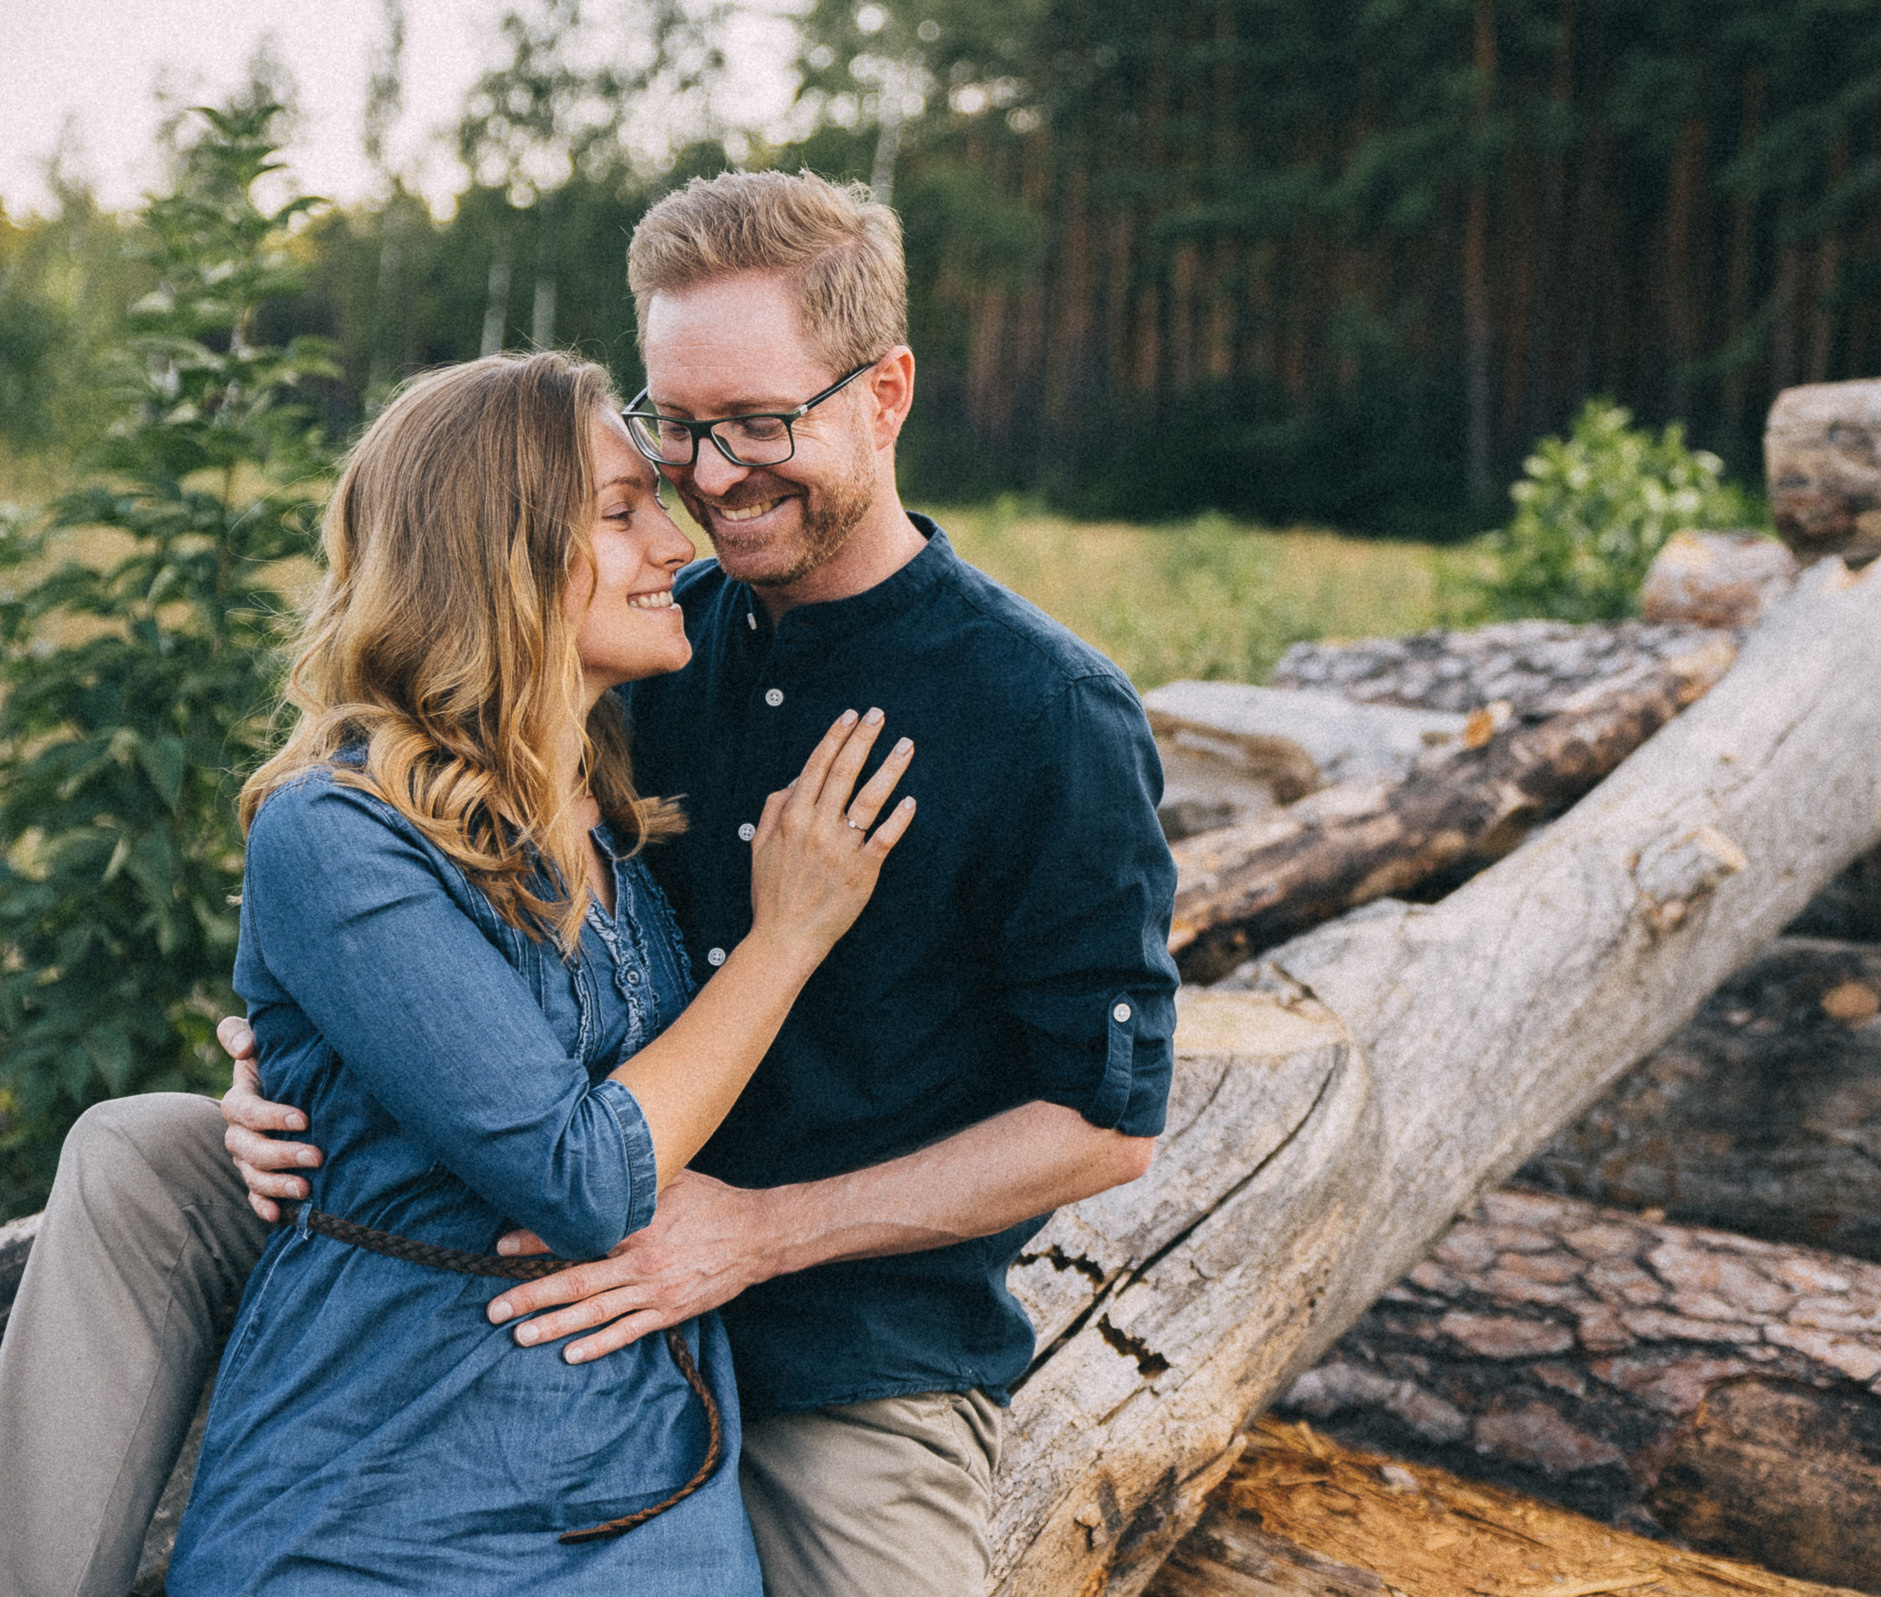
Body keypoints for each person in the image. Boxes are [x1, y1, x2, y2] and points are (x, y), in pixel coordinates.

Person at [0, 169, 1179, 1597]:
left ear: (887, 392)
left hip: (834, 1327)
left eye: (761, 421)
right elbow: (408, 882)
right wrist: (286, 1063)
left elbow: (1102, 1128)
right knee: (138, 1152)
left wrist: (755, 1235)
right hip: (508, 1202)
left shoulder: (1044, 713)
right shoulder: (637, 642)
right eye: (679, 428)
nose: (713, 475)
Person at [165, 349, 917, 1592]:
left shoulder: (615, 816)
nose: (673, 543)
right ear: (489, 554)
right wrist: (788, 938)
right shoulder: (337, 829)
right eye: (620, 514)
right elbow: (581, 1175)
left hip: (645, 1466)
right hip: (392, 1481)